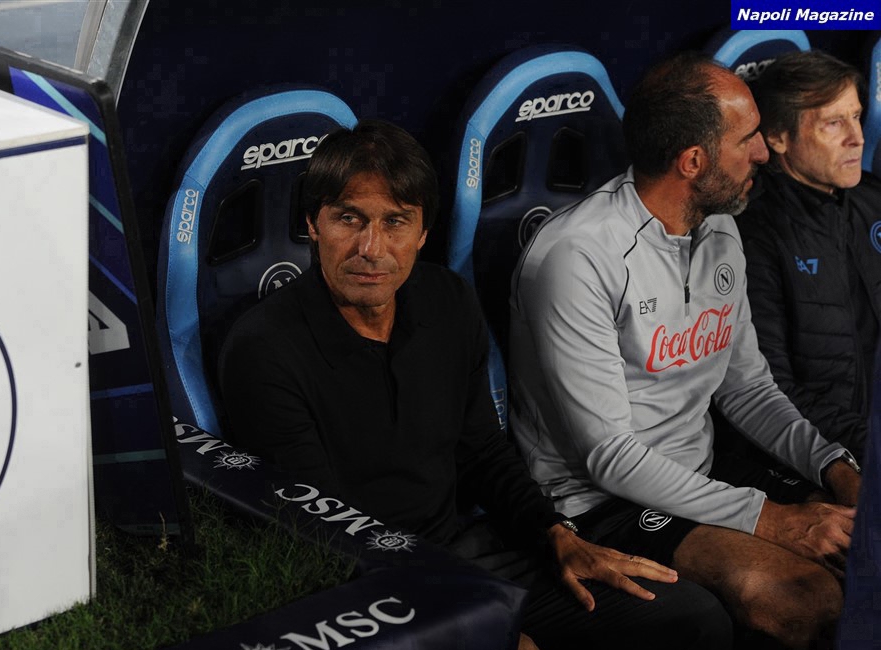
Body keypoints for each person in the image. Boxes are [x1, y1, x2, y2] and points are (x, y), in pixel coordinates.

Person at [218, 119, 731, 649]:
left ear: (423, 233)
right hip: (368, 588)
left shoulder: (447, 300)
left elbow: (483, 451)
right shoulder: (263, 347)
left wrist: (556, 536)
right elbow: (322, 533)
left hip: (469, 551)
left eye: (396, 222)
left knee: (690, 617)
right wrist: (479, 623)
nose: (371, 247)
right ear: (313, 224)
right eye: (349, 219)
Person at [509, 52, 862, 649]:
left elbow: (748, 388)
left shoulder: (719, 225)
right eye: (747, 139)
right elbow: (610, 457)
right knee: (806, 597)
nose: (763, 153)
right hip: (601, 502)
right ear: (693, 161)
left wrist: (834, 466)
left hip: (702, 464)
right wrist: (774, 520)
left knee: (864, 544)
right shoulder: (577, 256)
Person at [736, 50, 881, 462]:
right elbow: (770, 392)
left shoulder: (873, 197)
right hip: (830, 452)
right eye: (833, 123)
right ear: (778, 138)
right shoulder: (755, 234)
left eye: (856, 116)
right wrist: (870, 442)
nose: (857, 138)